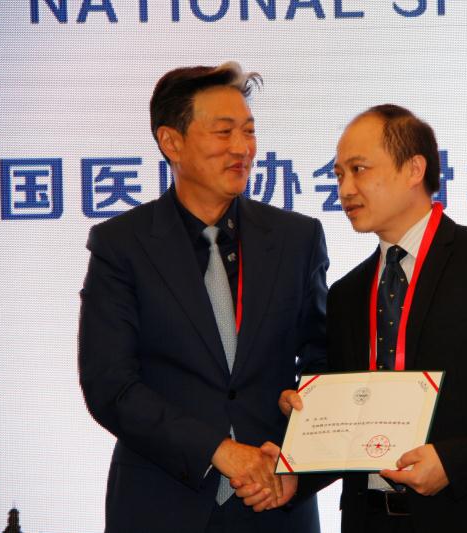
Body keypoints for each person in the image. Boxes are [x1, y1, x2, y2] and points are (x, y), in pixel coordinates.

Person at [241, 104, 467, 531]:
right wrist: (297, 471)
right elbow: (355, 422)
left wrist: (452, 461)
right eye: (339, 175)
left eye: (359, 169)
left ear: (414, 169)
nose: (345, 189)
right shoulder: (347, 293)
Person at [78, 62, 328, 533]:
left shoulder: (297, 239)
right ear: (171, 142)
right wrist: (216, 450)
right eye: (224, 132)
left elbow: (324, 361)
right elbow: (110, 385)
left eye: (249, 131)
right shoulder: (121, 245)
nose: (242, 148)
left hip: (275, 501)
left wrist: (298, 452)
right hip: (161, 503)